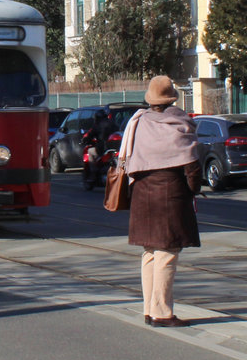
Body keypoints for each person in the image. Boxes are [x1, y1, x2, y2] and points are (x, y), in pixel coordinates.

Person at [120, 75, 201, 328]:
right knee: (167, 252)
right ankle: (162, 313)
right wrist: (193, 191)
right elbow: (192, 166)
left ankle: (148, 309)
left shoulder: (138, 121)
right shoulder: (178, 121)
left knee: (150, 252)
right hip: (170, 194)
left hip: (142, 193)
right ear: (173, 97)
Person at [81, 109, 115, 189]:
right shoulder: (113, 124)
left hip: (102, 149)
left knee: (90, 152)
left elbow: (90, 135)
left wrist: (85, 140)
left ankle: (93, 172)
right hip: (113, 148)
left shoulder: (97, 125)